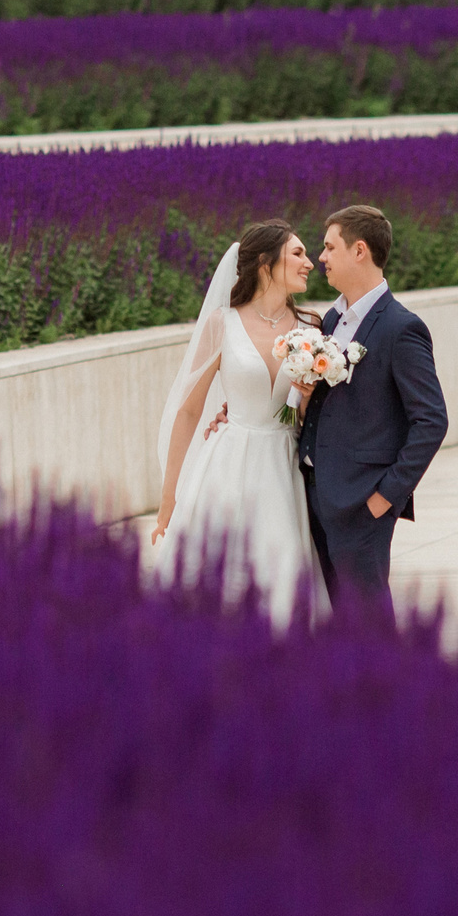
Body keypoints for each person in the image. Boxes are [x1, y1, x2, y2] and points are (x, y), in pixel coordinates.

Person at [148, 219, 324, 629]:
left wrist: (307, 399)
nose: (310, 262)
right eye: (298, 253)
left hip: (284, 465)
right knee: (220, 575)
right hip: (228, 464)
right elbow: (189, 411)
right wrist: (168, 497)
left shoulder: (312, 328)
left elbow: (314, 414)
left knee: (281, 572)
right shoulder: (221, 324)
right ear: (265, 263)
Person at [295, 205, 447, 625]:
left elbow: (432, 420)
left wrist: (385, 497)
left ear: (359, 250)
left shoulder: (401, 328)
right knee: (336, 625)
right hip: (317, 496)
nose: (321, 257)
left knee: (371, 628)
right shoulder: (331, 319)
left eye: (330, 247)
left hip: (362, 506)